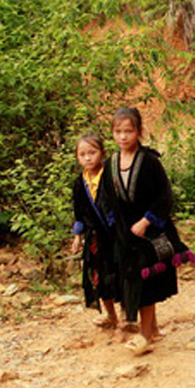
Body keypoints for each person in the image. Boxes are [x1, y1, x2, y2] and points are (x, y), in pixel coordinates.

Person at [101, 107, 194, 355]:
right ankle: (151, 328)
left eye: (128, 131)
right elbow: (106, 199)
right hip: (124, 235)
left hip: (149, 232)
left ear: (139, 132)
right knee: (131, 280)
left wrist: (146, 221)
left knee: (146, 282)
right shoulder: (109, 164)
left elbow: (164, 196)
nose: (123, 137)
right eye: (118, 131)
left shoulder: (150, 162)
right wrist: (114, 225)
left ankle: (145, 335)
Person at [71, 133, 119, 329]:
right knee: (98, 277)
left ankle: (129, 317)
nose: (88, 158)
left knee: (122, 274)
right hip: (95, 239)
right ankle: (111, 315)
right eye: (82, 154)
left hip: (116, 234)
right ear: (77, 157)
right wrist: (77, 236)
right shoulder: (79, 183)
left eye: (92, 152)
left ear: (103, 153)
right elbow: (80, 212)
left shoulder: (111, 177)